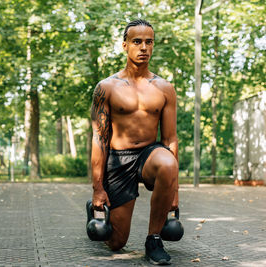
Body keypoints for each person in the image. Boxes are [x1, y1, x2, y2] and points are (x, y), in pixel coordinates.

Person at [90, 19, 179, 265]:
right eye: (137, 42)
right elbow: (99, 139)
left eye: (149, 42)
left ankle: (154, 239)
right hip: (118, 159)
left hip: (148, 155)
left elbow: (170, 138)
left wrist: (175, 191)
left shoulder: (164, 88)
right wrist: (98, 188)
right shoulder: (106, 88)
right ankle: (99, 211)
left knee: (168, 162)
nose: (143, 47)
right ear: (124, 45)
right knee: (116, 241)